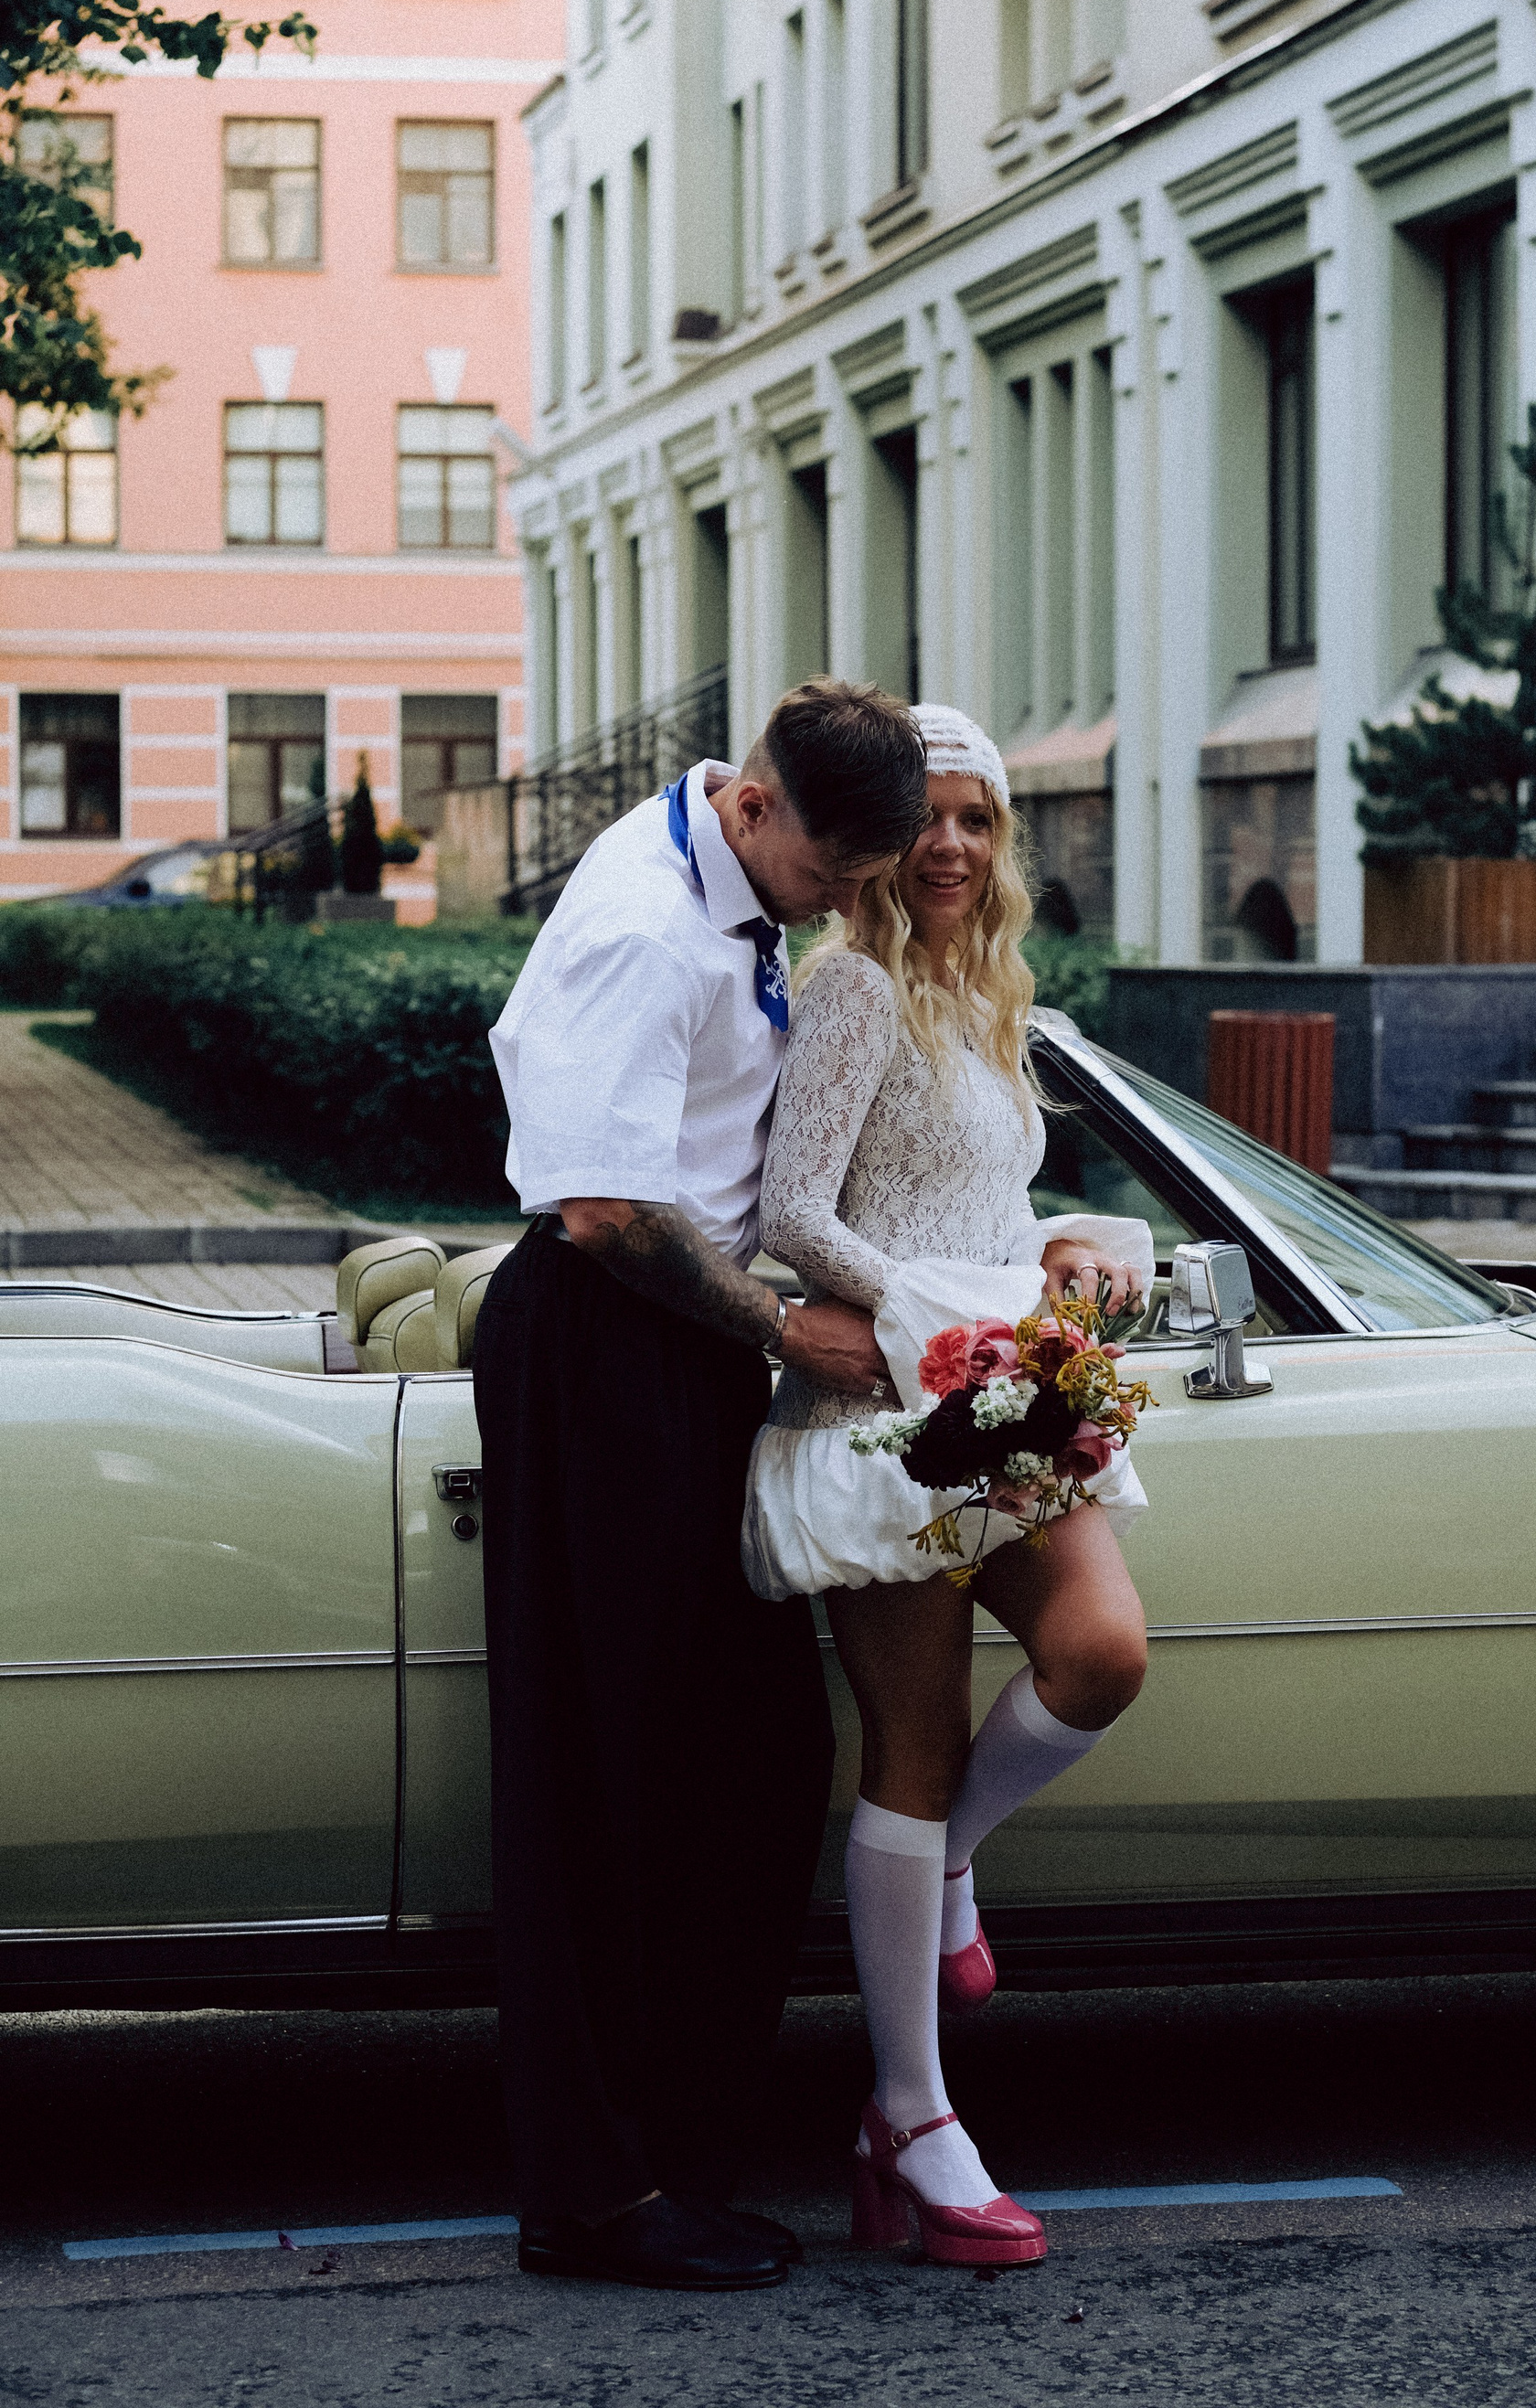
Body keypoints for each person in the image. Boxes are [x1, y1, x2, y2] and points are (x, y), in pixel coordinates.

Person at [473, 680, 930, 2293]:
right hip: (603, 1348)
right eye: (829, 872)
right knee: (604, 1775)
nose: (839, 900)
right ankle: (595, 2198)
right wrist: (786, 1325)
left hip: (676, 1347)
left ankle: (672, 2157)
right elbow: (604, 1211)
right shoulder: (646, 928)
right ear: (754, 804)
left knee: (745, 1762)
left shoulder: (729, 880)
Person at [742, 705, 1153, 2271]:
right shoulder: (849, 984)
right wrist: (935, 1315)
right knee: (909, 1747)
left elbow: (972, 1197)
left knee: (1100, 1653)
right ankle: (911, 2121)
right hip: (885, 1413)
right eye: (928, 817)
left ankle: (958, 1860)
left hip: (998, 1397)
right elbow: (795, 1217)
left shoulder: (990, 994)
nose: (953, 845)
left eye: (979, 819)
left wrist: (1061, 1248)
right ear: (879, 837)